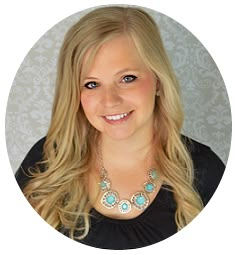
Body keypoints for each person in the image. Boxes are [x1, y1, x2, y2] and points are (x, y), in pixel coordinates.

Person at [15, 6, 225, 250]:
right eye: (92, 84)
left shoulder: (207, 171)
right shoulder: (46, 162)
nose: (110, 101)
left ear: (158, 80)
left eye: (127, 78)